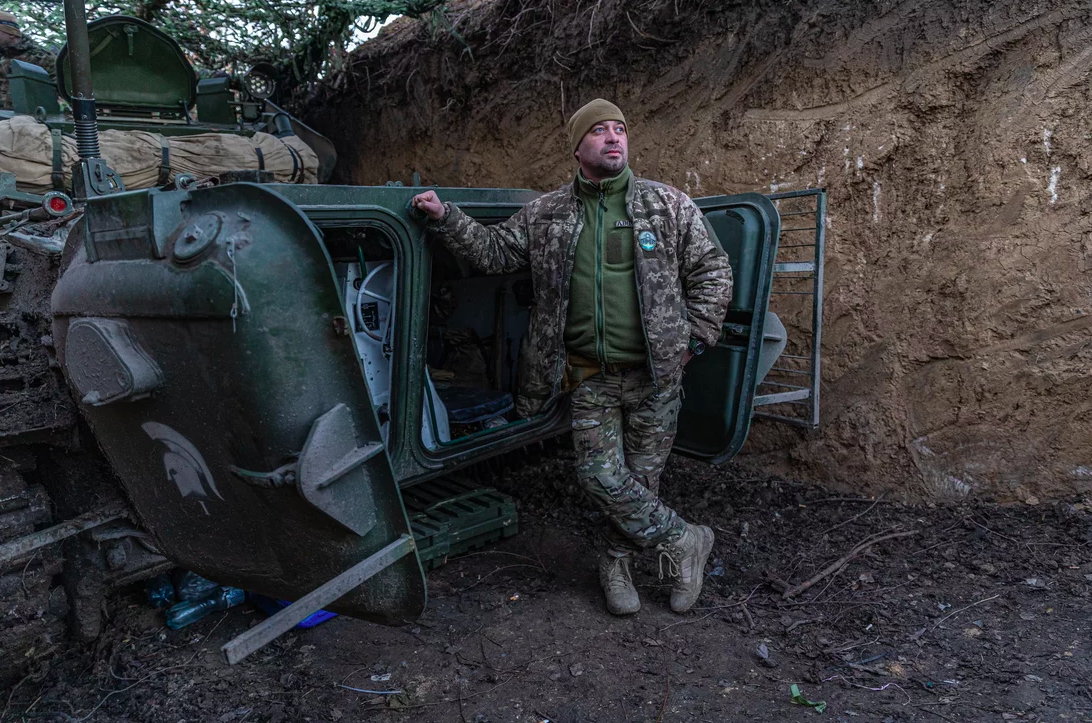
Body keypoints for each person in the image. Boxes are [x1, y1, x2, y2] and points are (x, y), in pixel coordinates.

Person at [411, 99, 733, 615]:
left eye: (620, 129)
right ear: (578, 147)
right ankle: (685, 540)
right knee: (602, 477)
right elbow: (495, 252)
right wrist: (445, 218)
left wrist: (694, 340)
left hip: (657, 376)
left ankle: (632, 564)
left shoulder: (667, 205)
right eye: (600, 131)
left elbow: (712, 272)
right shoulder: (548, 213)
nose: (613, 138)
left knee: (642, 482)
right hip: (589, 376)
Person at [0, 12, 55, 110]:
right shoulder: (2, 59)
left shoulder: (42, 58)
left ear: (11, 33)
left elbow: (63, 96)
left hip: (32, 122)